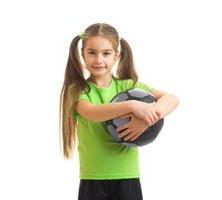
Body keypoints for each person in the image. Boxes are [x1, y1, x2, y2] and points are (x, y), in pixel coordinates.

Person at [59, 22, 179, 200]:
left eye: (106, 53)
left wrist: (148, 118)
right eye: (92, 53)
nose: (98, 60)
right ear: (82, 54)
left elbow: (172, 99)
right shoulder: (78, 90)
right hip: (93, 177)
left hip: (127, 176)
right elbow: (92, 112)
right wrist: (131, 106)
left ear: (116, 56)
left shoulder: (129, 86)